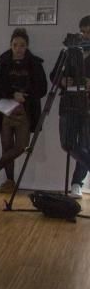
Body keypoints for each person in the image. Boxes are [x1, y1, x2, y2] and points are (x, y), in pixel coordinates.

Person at [0, 28, 47, 194]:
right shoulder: (2, 63)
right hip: (5, 110)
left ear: (27, 46)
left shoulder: (35, 64)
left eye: (22, 45)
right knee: (7, 146)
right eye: (15, 45)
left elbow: (42, 89)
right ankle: (10, 181)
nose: (18, 48)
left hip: (25, 111)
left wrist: (24, 96)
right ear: (10, 45)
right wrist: (12, 93)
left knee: (21, 146)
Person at [54, 15, 90, 197]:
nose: (85, 36)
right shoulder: (69, 50)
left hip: (88, 106)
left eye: (89, 32)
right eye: (83, 32)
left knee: (86, 145)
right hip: (68, 103)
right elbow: (54, 75)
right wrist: (62, 81)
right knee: (67, 143)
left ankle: (77, 183)